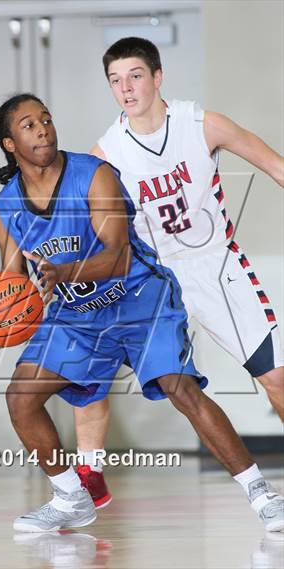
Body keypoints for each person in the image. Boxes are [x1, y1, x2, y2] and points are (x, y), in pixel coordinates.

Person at [0, 93, 283, 532]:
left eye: (46, 119)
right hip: (80, 315)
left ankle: (263, 495)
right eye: (29, 125)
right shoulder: (6, 206)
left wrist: (62, 272)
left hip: (139, 297)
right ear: (9, 143)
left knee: (179, 388)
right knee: (20, 398)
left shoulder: (93, 174)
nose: (43, 129)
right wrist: (2, 316)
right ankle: (71, 497)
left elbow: (120, 256)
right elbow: (12, 283)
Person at [74, 36, 284, 523]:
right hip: (153, 279)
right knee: (100, 374)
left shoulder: (201, 123)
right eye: (115, 80)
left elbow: (275, 166)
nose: (125, 89)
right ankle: (80, 489)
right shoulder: (105, 153)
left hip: (213, 265)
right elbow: (92, 228)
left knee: (275, 376)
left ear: (158, 76)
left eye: (135, 76)